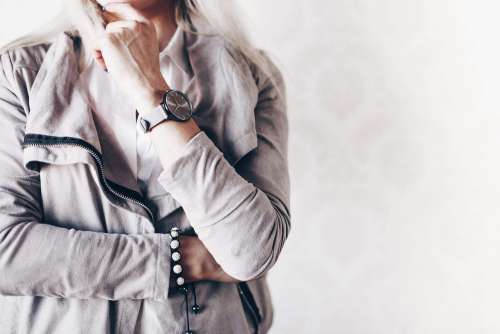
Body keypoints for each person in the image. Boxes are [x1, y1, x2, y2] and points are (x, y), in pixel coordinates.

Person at [0, 0, 290, 333]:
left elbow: (251, 251)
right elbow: (7, 250)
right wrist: (177, 259)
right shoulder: (19, 73)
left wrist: (151, 90)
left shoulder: (252, 76)